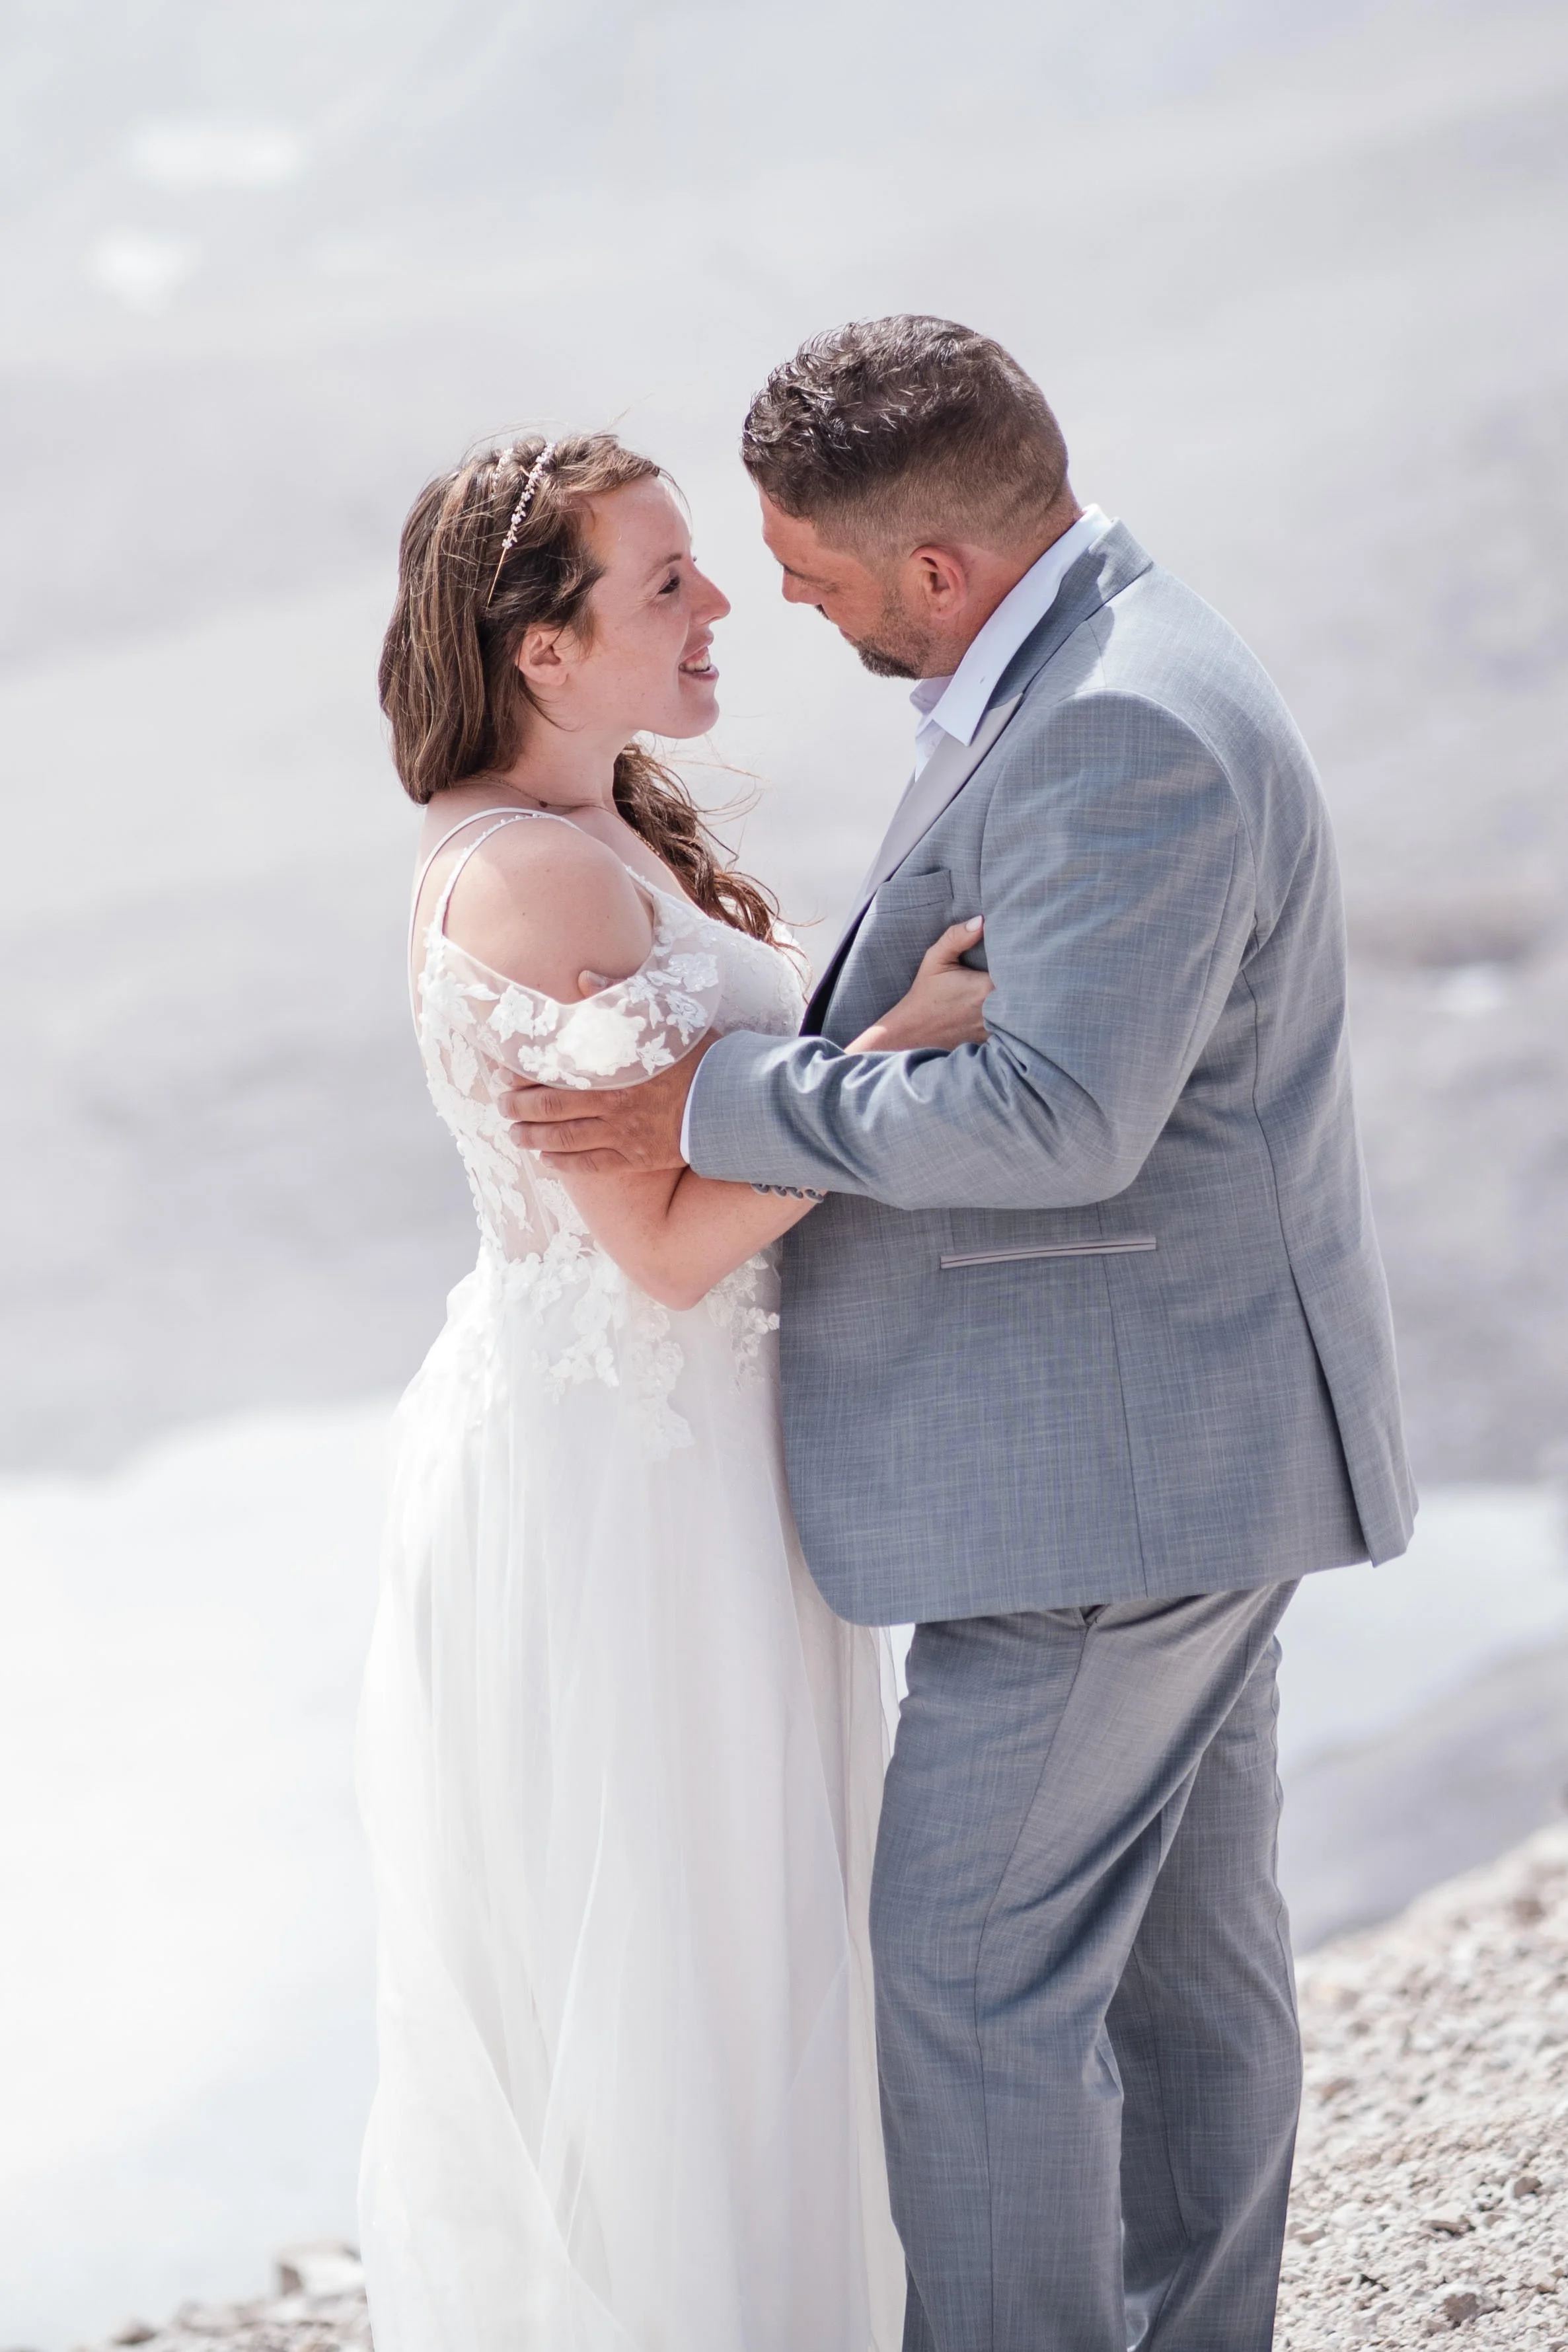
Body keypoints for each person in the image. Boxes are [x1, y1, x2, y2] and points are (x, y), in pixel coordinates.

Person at [505, 319, 1416, 2352]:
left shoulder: (1118, 725)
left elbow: (1059, 1120)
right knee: (1182, 1977)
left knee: (969, 1973)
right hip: (1161, 1447)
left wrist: (711, 1105)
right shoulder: (1093, 660)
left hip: (1111, 1479)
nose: (774, 592)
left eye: (800, 558)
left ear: (932, 565)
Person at [356, 428, 993, 2351]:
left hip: (689, 1458)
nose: (719, 603)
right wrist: (889, 1052)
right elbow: (660, 1245)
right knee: (684, 1954)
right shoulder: (537, 883)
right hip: (620, 1487)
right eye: (663, 582)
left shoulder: (603, 826)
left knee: (754, 1934)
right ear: (541, 647)